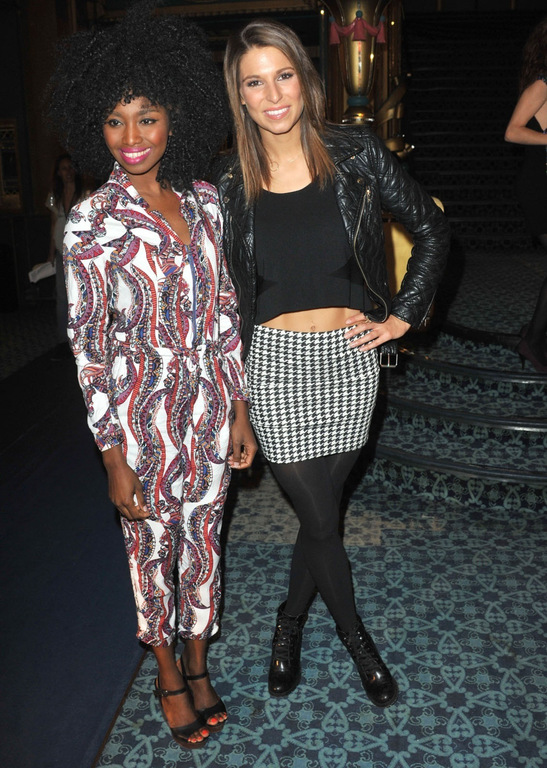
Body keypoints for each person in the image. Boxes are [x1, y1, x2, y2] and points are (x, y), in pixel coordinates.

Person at [214, 18, 450, 708]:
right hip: (273, 365)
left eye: (283, 75)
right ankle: (356, 640)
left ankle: (288, 622)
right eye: (254, 82)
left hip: (350, 360)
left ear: (304, 78)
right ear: (239, 95)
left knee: (321, 519)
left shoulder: (354, 151)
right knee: (320, 520)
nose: (273, 95)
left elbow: (432, 228)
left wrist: (402, 316)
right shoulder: (227, 179)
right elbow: (219, 300)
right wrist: (233, 400)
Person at [47, 2, 257, 750]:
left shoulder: (206, 204)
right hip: (139, 417)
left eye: (146, 117)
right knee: (151, 552)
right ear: (94, 129)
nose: (131, 136)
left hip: (210, 409)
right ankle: (167, 673)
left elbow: (224, 308)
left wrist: (238, 406)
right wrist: (111, 454)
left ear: (177, 118)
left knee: (205, 541)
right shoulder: (91, 224)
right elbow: (88, 345)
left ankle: (199, 661)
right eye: (114, 121)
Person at [505, 16, 547, 373]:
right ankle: (532, 341)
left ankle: (534, 335)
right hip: (538, 185)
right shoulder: (541, 84)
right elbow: (512, 131)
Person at [45, 153, 85, 356]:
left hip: (81, 253)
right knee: (62, 297)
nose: (68, 172)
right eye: (63, 168)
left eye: (70, 167)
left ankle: (83, 338)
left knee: (82, 296)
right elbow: (54, 224)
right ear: (58, 173)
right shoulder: (55, 195)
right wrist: (51, 254)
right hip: (62, 252)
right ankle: (63, 340)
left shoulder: (85, 193)